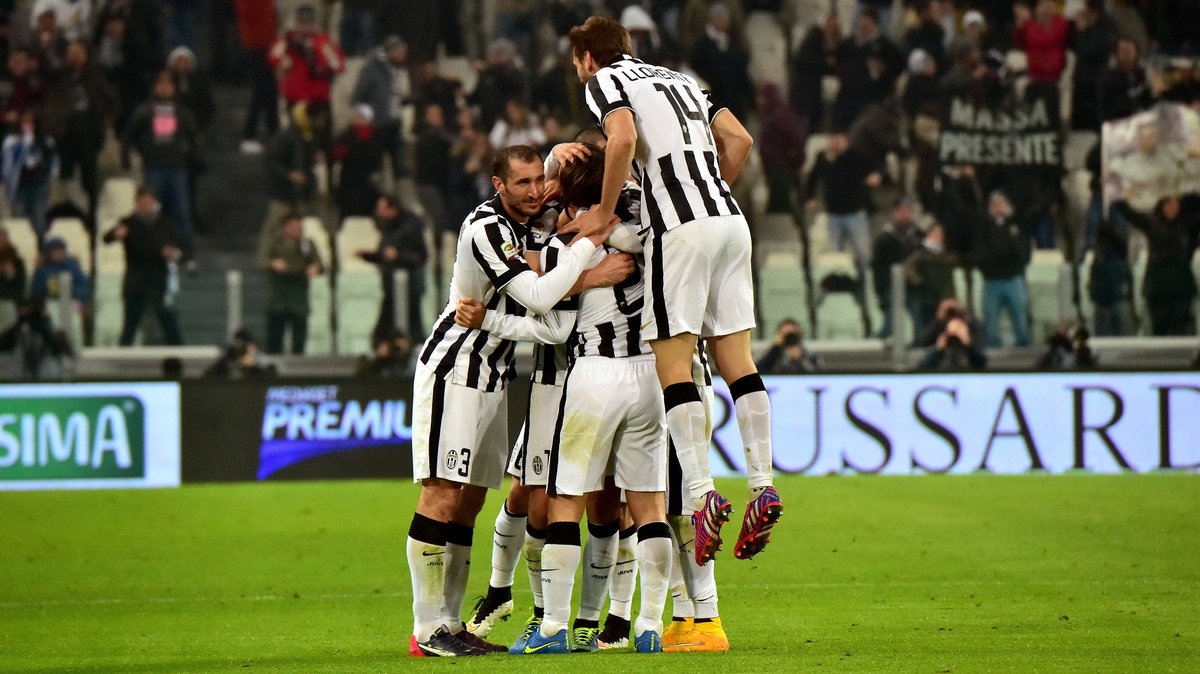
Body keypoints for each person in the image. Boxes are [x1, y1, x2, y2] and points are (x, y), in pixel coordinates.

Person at [566, 16, 782, 584]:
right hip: (731, 221)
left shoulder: (605, 82)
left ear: (588, 58)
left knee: (674, 362)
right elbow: (739, 140)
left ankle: (705, 493)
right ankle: (763, 483)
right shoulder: (683, 79)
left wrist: (606, 211)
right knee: (739, 362)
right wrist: (707, 198)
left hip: (679, 232)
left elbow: (623, 138)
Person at [404, 144, 619, 657]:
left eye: (537, 180)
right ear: (498, 186)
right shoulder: (486, 229)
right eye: (520, 183)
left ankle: (452, 623)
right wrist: (589, 262)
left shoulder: (536, 224)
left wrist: (564, 153)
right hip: (456, 367)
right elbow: (544, 300)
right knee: (441, 493)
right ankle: (425, 629)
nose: (533, 191)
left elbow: (560, 322)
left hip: (496, 375)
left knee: (471, 502)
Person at [122, 71, 199, 261]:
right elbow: (129, 134)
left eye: (168, 84)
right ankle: (153, 251)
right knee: (152, 214)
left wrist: (193, 157)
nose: (165, 88)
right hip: (153, 167)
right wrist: (126, 156)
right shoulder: (145, 110)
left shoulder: (182, 111)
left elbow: (194, 135)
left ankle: (187, 254)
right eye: (161, 84)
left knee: (182, 212)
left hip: (176, 168)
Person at [43, 40, 116, 224]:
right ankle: (65, 214)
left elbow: (112, 102)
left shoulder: (95, 77)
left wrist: (103, 121)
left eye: (79, 52)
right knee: (64, 178)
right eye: (71, 52)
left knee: (89, 181)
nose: (75, 56)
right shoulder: (58, 77)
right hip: (65, 136)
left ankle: (91, 219)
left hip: (88, 136)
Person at [102, 187, 183, 346]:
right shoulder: (128, 223)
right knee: (131, 321)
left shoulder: (165, 223)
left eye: (148, 201)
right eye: (142, 201)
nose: (145, 205)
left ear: (154, 203)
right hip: (135, 277)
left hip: (159, 276)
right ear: (136, 203)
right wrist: (116, 234)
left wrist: (173, 252)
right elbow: (106, 238)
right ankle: (124, 354)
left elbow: (179, 246)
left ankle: (178, 351)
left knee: (167, 319)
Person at [1111, 198, 1200, 336]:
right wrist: (1118, 199)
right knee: (1159, 327)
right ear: (1162, 206)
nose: (1172, 208)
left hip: (1181, 282)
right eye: (1168, 204)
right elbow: (1131, 215)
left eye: (1175, 204)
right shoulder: (1152, 223)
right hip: (1158, 282)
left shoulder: (1188, 224)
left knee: (1181, 327)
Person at [804, 132, 880, 273]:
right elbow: (812, 179)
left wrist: (875, 177)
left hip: (855, 212)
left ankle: (866, 285)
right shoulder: (824, 158)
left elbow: (874, 168)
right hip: (833, 214)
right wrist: (810, 198)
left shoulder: (856, 156)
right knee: (834, 253)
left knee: (863, 254)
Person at [356, 195, 426, 340]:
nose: (377, 212)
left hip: (409, 285)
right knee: (389, 320)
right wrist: (369, 256)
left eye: (381, 209)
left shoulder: (410, 226)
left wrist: (398, 255)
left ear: (392, 209)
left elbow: (419, 256)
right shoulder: (387, 227)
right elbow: (385, 255)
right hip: (391, 285)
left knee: (411, 320)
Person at [257, 103, 318, 267]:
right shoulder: (286, 136)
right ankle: (263, 260)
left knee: (299, 229)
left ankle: (299, 261)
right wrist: (289, 175)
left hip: (299, 193)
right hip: (282, 192)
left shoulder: (306, 136)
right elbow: (270, 160)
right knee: (273, 226)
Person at [971, 190, 1033, 347]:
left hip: (1014, 279)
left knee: (1021, 326)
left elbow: (1023, 253)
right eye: (995, 204)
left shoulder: (1018, 226)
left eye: (1002, 203)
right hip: (992, 282)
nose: (998, 207)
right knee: (990, 328)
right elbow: (980, 254)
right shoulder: (983, 228)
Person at [269, 4, 344, 128]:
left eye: (308, 22)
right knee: (295, 134)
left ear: (313, 23)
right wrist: (285, 61)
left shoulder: (322, 42)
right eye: (301, 22)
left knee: (321, 136)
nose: (304, 26)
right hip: (294, 97)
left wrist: (318, 59)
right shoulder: (288, 40)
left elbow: (338, 65)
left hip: (317, 98)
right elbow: (273, 58)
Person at [832, 8, 902, 132]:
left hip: (873, 98)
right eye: (861, 24)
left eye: (866, 24)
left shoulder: (886, 46)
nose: (862, 28)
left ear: (874, 25)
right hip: (847, 97)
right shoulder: (847, 44)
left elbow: (898, 67)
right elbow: (836, 62)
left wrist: (885, 71)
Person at [351, 34, 409, 178]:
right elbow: (358, 97)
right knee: (376, 164)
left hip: (395, 122)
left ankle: (400, 194)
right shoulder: (371, 70)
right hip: (378, 125)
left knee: (399, 164)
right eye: (400, 53)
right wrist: (368, 117)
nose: (403, 56)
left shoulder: (397, 70)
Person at [264, 213, 323, 354]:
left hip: (299, 298)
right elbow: (262, 261)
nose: (296, 229)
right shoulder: (275, 244)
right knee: (275, 340)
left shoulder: (307, 245)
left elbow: (319, 263)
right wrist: (273, 263)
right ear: (285, 227)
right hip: (279, 299)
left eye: (299, 226)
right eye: (292, 226)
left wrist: (316, 268)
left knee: (299, 339)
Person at [688, 2, 754, 122]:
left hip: (734, 102)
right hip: (713, 102)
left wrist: (749, 97)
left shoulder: (733, 44)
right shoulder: (701, 46)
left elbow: (741, 72)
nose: (725, 21)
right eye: (721, 18)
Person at [1, 109, 58, 243]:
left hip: (39, 186)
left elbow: (52, 162)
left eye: (30, 123)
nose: (27, 126)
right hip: (20, 187)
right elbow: (8, 163)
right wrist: (24, 144)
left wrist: (37, 143)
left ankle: (40, 247)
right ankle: (20, 246)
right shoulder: (12, 141)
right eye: (24, 122)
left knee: (38, 217)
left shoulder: (46, 141)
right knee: (19, 219)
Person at [870, 198, 923, 339]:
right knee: (890, 324)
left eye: (908, 210)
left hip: (913, 287)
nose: (905, 213)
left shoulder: (918, 235)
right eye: (901, 210)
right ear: (895, 213)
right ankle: (872, 346)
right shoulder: (885, 237)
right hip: (891, 286)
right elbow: (877, 267)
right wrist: (880, 291)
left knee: (919, 323)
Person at [235, 0, 279, 153]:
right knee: (261, 92)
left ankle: (272, 132)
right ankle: (249, 135)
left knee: (270, 92)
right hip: (257, 46)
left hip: (264, 44)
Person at [1069, 0, 1117, 131]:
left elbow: (1087, 51)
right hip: (1081, 78)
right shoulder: (1085, 25)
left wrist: (1083, 31)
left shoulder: (1106, 26)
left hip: (1096, 79)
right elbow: (1075, 49)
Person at [0, 296, 72, 381]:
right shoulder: (17, 332)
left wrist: (46, 329)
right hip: (20, 382)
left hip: (49, 381)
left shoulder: (56, 331)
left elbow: (68, 354)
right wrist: (18, 325)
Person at [332, 104, 383, 220]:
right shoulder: (346, 134)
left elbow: (376, 156)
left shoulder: (374, 135)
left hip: (366, 179)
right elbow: (338, 153)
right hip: (349, 178)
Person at [905, 224, 957, 336]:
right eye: (935, 234)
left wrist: (950, 295)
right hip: (925, 297)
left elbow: (950, 278)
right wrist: (918, 282)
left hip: (943, 299)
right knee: (925, 326)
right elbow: (908, 269)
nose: (938, 237)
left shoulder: (947, 256)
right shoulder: (920, 254)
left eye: (940, 235)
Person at [1013, 0, 1069, 83]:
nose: (1046, 9)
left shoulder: (1061, 23)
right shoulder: (1029, 25)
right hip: (1033, 74)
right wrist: (1019, 28)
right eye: (1043, 5)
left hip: (1053, 75)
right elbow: (1022, 45)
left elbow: (1048, 40)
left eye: (1049, 5)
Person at [1099, 37, 1153, 123]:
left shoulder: (1142, 74)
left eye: (1129, 51)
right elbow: (1106, 108)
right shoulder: (1109, 79)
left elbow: (1148, 101)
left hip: (1141, 122)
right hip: (1118, 123)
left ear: (1136, 53)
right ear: (1116, 54)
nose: (1126, 55)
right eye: (1123, 51)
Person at [917, 311, 986, 371]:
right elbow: (924, 366)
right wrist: (938, 350)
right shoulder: (940, 351)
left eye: (959, 328)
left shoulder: (970, 350)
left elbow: (981, 362)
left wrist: (968, 344)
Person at [30, 237, 89, 305]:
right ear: (48, 253)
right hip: (49, 303)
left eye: (60, 252)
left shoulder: (72, 267)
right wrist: (48, 289)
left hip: (71, 302)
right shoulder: (42, 270)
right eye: (54, 252)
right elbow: (37, 290)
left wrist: (71, 293)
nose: (57, 255)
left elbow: (83, 286)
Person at [204, 328, 277, 378]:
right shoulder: (231, 359)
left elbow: (271, 378)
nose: (241, 350)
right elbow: (207, 376)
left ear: (252, 347)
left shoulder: (263, 359)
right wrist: (222, 363)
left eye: (244, 347)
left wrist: (252, 367)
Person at [755, 318, 820, 374]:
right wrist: (775, 348)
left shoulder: (808, 353)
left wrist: (800, 359)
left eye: (791, 334)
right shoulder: (774, 352)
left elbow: (818, 372)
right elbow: (759, 369)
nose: (789, 338)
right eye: (785, 334)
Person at [0, 226, 27, 326]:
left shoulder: (17, 262)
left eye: (2, 238)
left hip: (11, 300)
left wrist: (11, 275)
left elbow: (20, 285)